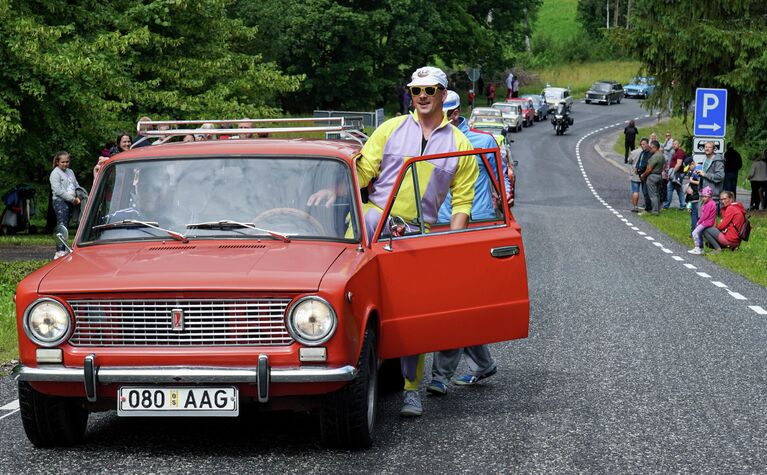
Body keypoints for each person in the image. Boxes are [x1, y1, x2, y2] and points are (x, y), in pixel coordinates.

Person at [307, 66, 478, 418]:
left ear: (443, 95)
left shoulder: (461, 145)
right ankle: (339, 372)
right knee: (349, 298)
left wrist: (456, 243)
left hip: (418, 235)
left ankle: (411, 390)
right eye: (417, 91)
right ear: (411, 95)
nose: (423, 96)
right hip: (373, 221)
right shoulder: (390, 128)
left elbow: (462, 201)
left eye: (430, 89)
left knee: (410, 313)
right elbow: (363, 169)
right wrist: (334, 188)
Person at [427, 90, 507, 397]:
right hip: (438, 224)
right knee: (459, 300)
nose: (440, 118)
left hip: (475, 223)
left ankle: (440, 374)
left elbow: (500, 180)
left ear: (457, 112)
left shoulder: (483, 141)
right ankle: (482, 364)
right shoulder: (427, 140)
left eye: (445, 112)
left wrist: (504, 213)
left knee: (452, 300)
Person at [49, 151, 81, 259]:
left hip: (71, 201)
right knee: (62, 225)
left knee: (66, 225)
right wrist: (72, 199)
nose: (65, 164)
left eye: (67, 161)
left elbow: (76, 184)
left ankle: (63, 249)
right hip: (60, 201)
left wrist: (79, 195)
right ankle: (59, 251)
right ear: (57, 162)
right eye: (62, 162)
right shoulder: (55, 173)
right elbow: (58, 191)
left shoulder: (70, 171)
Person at [698, 141, 725, 214]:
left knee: (712, 220)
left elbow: (720, 176)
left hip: (713, 196)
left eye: (709, 147)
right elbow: (704, 175)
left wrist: (705, 174)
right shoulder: (705, 159)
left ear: (713, 149)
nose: (707, 149)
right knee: (701, 218)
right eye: (706, 147)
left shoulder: (718, 161)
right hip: (704, 194)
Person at [687, 186, 716, 255]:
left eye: (705, 197)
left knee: (694, 233)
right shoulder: (712, 203)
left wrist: (699, 222)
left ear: (710, 196)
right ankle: (701, 249)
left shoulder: (708, 204)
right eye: (703, 196)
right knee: (699, 233)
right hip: (708, 221)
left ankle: (697, 248)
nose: (703, 198)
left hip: (706, 222)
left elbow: (705, 215)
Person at [640, 140, 664, 215]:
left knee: (652, 195)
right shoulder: (661, 155)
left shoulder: (655, 156)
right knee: (657, 194)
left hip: (652, 176)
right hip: (659, 175)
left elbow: (649, 169)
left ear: (654, 147)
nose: (650, 149)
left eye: (651, 147)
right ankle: (657, 209)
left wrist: (643, 175)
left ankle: (654, 211)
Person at [663, 139, 685, 209]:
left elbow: (678, 164)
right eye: (673, 144)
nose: (673, 145)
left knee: (670, 188)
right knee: (679, 190)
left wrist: (672, 173)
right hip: (676, 173)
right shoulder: (676, 152)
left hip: (677, 174)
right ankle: (682, 205)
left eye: (675, 144)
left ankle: (666, 205)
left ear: (679, 145)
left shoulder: (680, 152)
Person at [628, 138, 648, 212]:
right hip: (644, 174)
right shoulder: (648, 152)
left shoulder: (634, 152)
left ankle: (635, 207)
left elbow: (629, 161)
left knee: (635, 191)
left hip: (635, 174)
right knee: (645, 191)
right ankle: (647, 206)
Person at [684, 159, 702, 233]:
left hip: (696, 196)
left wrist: (691, 181)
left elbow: (700, 182)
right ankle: (694, 232)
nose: (688, 170)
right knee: (692, 213)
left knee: (695, 215)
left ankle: (694, 232)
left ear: (692, 163)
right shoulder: (693, 171)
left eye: (689, 168)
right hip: (692, 197)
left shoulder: (697, 170)